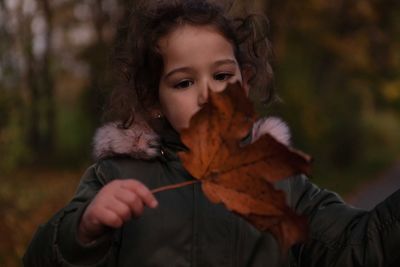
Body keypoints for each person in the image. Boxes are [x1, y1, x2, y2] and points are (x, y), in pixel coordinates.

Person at [23, 1, 400, 266]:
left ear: (244, 86)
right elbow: (41, 258)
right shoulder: (117, 177)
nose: (208, 94)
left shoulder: (282, 185)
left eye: (222, 76)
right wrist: (84, 230)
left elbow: (357, 247)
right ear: (153, 100)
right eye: (184, 82)